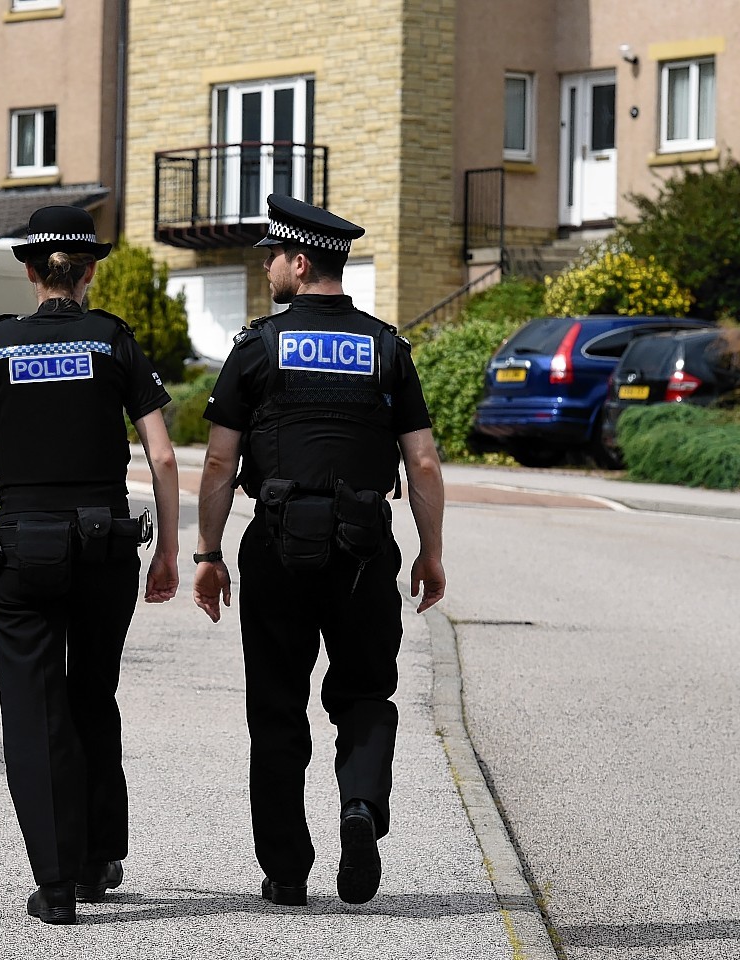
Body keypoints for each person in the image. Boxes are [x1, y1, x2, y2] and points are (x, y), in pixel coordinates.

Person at [191, 193, 446, 907]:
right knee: (366, 692)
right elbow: (421, 464)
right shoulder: (387, 348)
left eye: (272, 257)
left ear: (300, 263)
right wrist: (430, 551)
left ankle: (286, 870)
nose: (267, 268)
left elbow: (217, 464)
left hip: (276, 548)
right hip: (365, 549)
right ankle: (361, 806)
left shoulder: (256, 347)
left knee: (276, 708)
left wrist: (207, 553)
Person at [0, 205, 181, 925]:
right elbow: (163, 455)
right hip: (106, 547)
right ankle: (100, 857)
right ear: (90, 272)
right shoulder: (114, 343)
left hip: (26, 551)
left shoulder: (0, 347)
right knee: (93, 697)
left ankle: (57, 884)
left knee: (36, 716)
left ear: (30, 270)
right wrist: (169, 548)